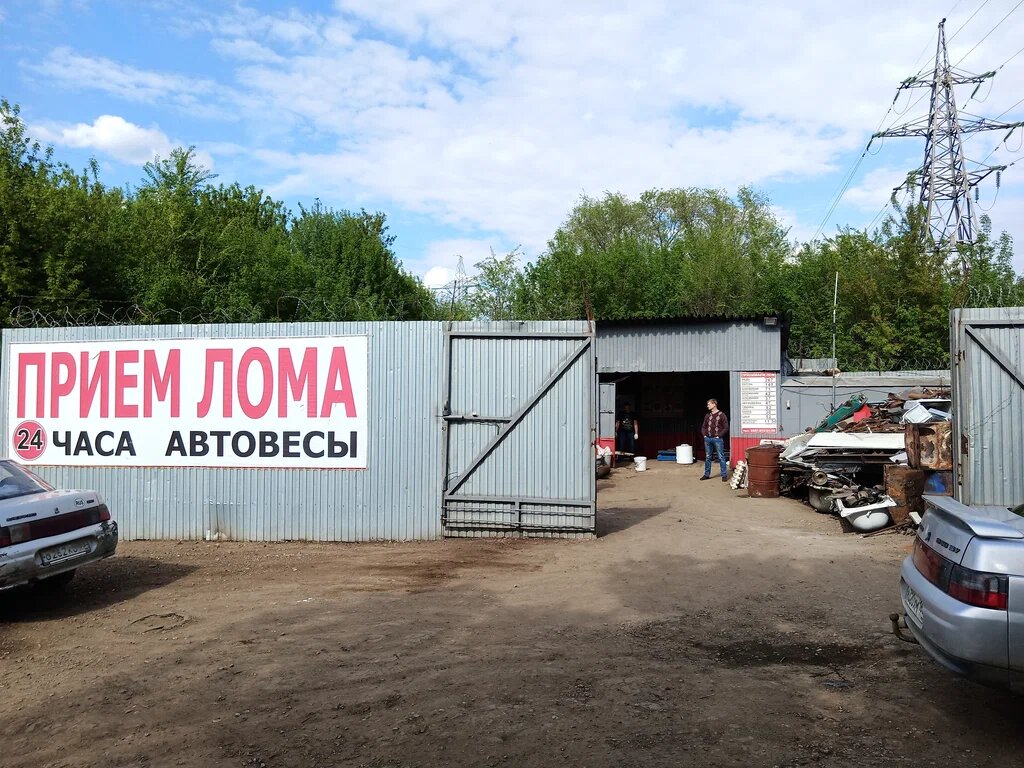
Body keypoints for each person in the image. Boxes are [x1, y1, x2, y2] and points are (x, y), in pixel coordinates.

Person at [700, 398, 729, 481]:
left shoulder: (721, 415)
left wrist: (719, 436)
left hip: (717, 439)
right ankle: (706, 475)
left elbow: (726, 427)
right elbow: (703, 427)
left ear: (714, 404)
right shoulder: (707, 415)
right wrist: (704, 436)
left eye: (709, 404)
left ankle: (724, 475)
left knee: (721, 457)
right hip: (708, 439)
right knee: (708, 457)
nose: (707, 406)